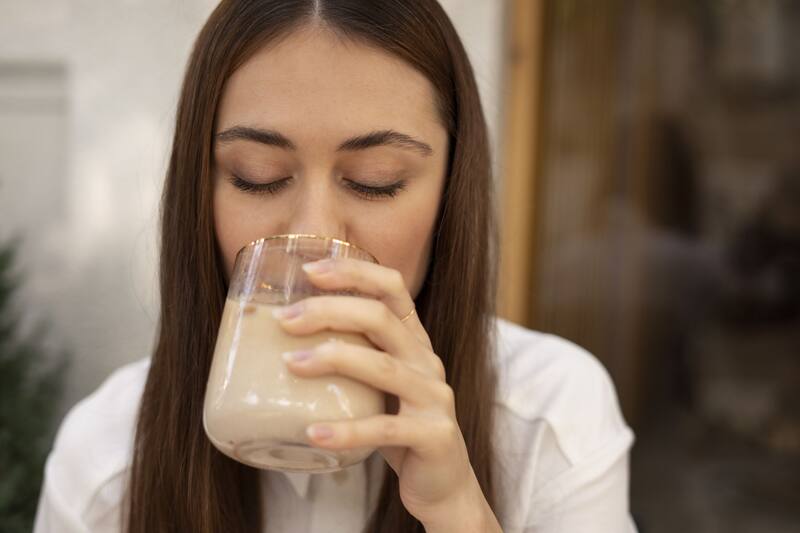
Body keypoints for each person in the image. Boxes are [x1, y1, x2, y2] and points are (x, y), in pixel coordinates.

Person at [33, 1, 636, 532]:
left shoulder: (548, 419)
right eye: (257, 177)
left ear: (451, 191)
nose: (312, 236)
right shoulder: (107, 460)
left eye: (377, 183)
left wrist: (459, 513)